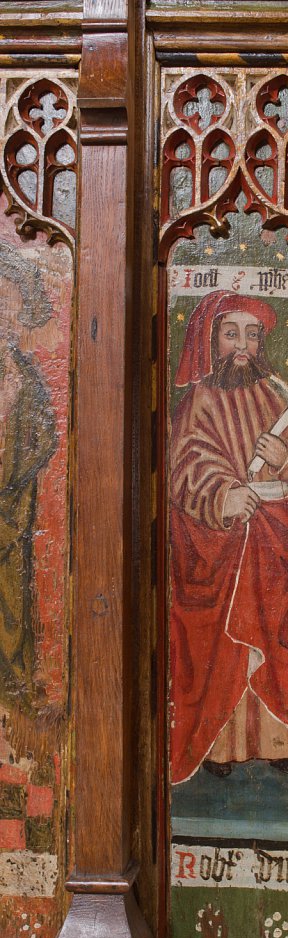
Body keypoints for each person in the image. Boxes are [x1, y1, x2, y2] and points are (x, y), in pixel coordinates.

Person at [170, 289, 288, 784]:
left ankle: (281, 740)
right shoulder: (200, 399)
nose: (243, 346)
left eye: (251, 335)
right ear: (211, 340)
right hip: (223, 543)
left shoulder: (275, 395)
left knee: (280, 627)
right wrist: (223, 495)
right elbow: (187, 465)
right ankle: (221, 744)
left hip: (272, 541)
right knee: (228, 645)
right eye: (231, 333)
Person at [0, 240, 57, 715]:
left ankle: (15, 689)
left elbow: (45, 437)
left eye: (10, 305)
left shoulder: (25, 375)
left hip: (11, 504)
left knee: (12, 599)